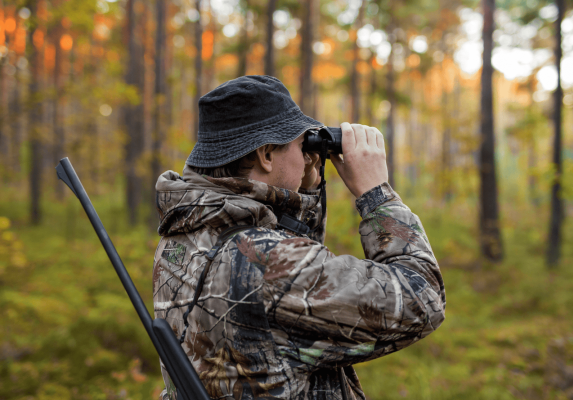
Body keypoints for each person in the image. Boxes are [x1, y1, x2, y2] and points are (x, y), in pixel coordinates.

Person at [153, 75, 445, 400]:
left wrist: (302, 190)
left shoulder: (186, 231)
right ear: (266, 154)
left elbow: (284, 288)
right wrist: (377, 195)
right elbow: (423, 299)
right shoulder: (268, 263)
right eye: (299, 144)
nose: (307, 155)